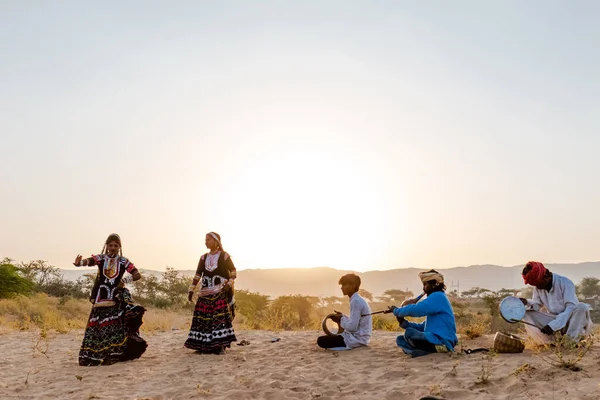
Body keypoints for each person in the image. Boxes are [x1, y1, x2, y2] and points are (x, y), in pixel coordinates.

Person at [74, 233, 147, 366]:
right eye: (111, 245)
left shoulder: (124, 261)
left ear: (119, 247)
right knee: (97, 328)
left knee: (115, 328)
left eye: (116, 245)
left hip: (115, 298)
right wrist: (80, 263)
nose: (113, 248)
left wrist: (124, 280)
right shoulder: (101, 258)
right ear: (106, 246)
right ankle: (94, 356)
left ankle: (114, 355)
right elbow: (90, 261)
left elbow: (137, 274)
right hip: (100, 299)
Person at [184, 232, 237, 354]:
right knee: (203, 318)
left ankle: (220, 346)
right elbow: (198, 274)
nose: (206, 242)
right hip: (205, 292)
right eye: (205, 240)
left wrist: (229, 284)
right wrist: (192, 289)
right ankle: (202, 346)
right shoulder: (203, 258)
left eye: (208, 240)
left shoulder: (224, 256)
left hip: (220, 290)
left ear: (216, 241)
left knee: (218, 318)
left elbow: (233, 271)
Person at [519, 261, 592, 344]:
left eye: (539, 284)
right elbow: (537, 305)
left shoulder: (565, 282)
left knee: (581, 307)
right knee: (527, 313)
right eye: (536, 285)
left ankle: (570, 342)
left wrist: (553, 325)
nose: (538, 287)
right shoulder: (538, 288)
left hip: (572, 322)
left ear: (546, 277)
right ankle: (547, 342)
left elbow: (570, 308)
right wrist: (527, 302)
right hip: (554, 320)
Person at [390, 270, 457, 358]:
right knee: (400, 339)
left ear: (434, 284)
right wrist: (403, 323)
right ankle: (421, 352)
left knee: (409, 333)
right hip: (434, 340)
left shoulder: (438, 296)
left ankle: (419, 351)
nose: (423, 289)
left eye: (425, 285)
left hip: (442, 341)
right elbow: (423, 327)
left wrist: (397, 311)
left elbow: (417, 309)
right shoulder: (437, 297)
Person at [317, 273, 372, 349]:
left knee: (321, 340)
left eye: (344, 285)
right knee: (331, 335)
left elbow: (352, 327)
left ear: (353, 286)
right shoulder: (357, 299)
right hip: (361, 338)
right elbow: (355, 321)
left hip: (356, 340)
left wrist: (340, 319)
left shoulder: (355, 301)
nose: (341, 288)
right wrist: (342, 316)